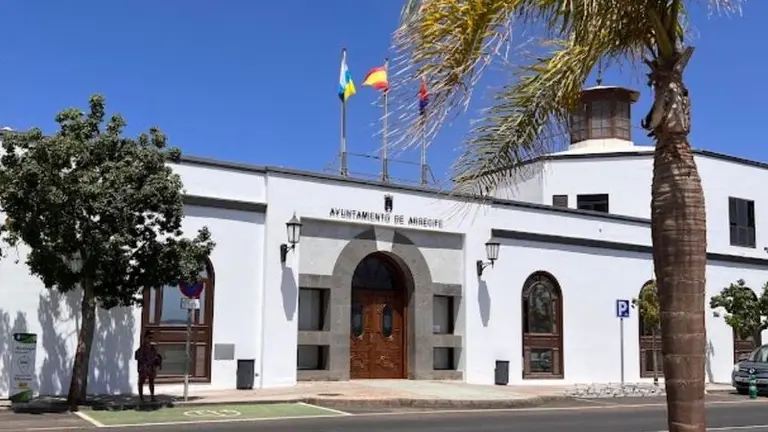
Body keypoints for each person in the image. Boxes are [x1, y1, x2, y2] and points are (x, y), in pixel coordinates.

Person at [134, 330, 162, 402]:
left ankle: (152, 396)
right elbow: (137, 357)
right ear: (145, 338)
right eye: (149, 337)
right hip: (144, 368)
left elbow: (156, 357)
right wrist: (143, 364)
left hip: (151, 368)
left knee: (151, 382)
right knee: (141, 382)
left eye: (151, 338)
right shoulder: (141, 349)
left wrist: (158, 362)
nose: (150, 339)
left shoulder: (153, 348)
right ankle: (141, 398)